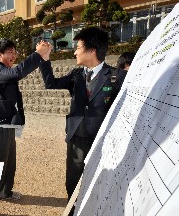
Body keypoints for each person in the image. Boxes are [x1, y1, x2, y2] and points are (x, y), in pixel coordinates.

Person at [39, 27, 127, 203]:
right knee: (73, 181)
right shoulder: (76, 75)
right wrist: (44, 58)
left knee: (100, 181)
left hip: (102, 141)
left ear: (92, 50)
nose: (75, 52)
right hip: (77, 138)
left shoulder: (118, 77)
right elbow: (51, 83)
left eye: (78, 47)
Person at [0, 39, 52, 200]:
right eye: (10, 52)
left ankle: (5, 191)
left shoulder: (7, 70)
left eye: (15, 52)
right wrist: (37, 54)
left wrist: (42, 57)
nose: (13, 55)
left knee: (9, 160)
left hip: (6, 123)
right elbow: (18, 72)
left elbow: (17, 73)